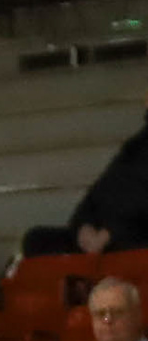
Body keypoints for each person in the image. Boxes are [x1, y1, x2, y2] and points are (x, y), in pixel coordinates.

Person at [66, 104, 148, 257]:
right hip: (106, 234)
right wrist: (84, 225)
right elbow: (99, 191)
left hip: (134, 238)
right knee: (37, 240)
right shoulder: (136, 144)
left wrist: (110, 233)